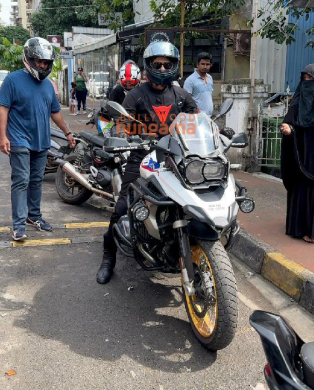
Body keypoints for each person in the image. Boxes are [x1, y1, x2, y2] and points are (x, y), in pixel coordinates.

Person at [96, 41, 198, 284]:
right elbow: (121, 120)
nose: (162, 68)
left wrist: (214, 130)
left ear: (174, 66)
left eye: (167, 64)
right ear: (149, 65)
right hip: (143, 156)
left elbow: (197, 119)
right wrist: (121, 133)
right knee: (122, 208)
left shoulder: (181, 95)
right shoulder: (136, 94)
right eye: (157, 64)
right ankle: (108, 255)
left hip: (175, 158)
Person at [0, 37, 76, 241]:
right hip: (18, 139)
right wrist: (3, 136)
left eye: (46, 62)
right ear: (28, 59)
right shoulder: (12, 81)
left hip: (41, 140)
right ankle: (18, 226)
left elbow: (55, 112)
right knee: (21, 180)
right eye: (38, 61)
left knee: (36, 181)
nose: (42, 65)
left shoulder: (48, 86)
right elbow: (3, 109)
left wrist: (68, 133)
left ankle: (34, 217)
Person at [281, 63, 314, 244]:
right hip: (303, 157)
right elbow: (290, 121)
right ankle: (305, 229)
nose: (307, 83)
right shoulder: (299, 101)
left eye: (311, 79)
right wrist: (289, 129)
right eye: (304, 79)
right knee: (304, 188)